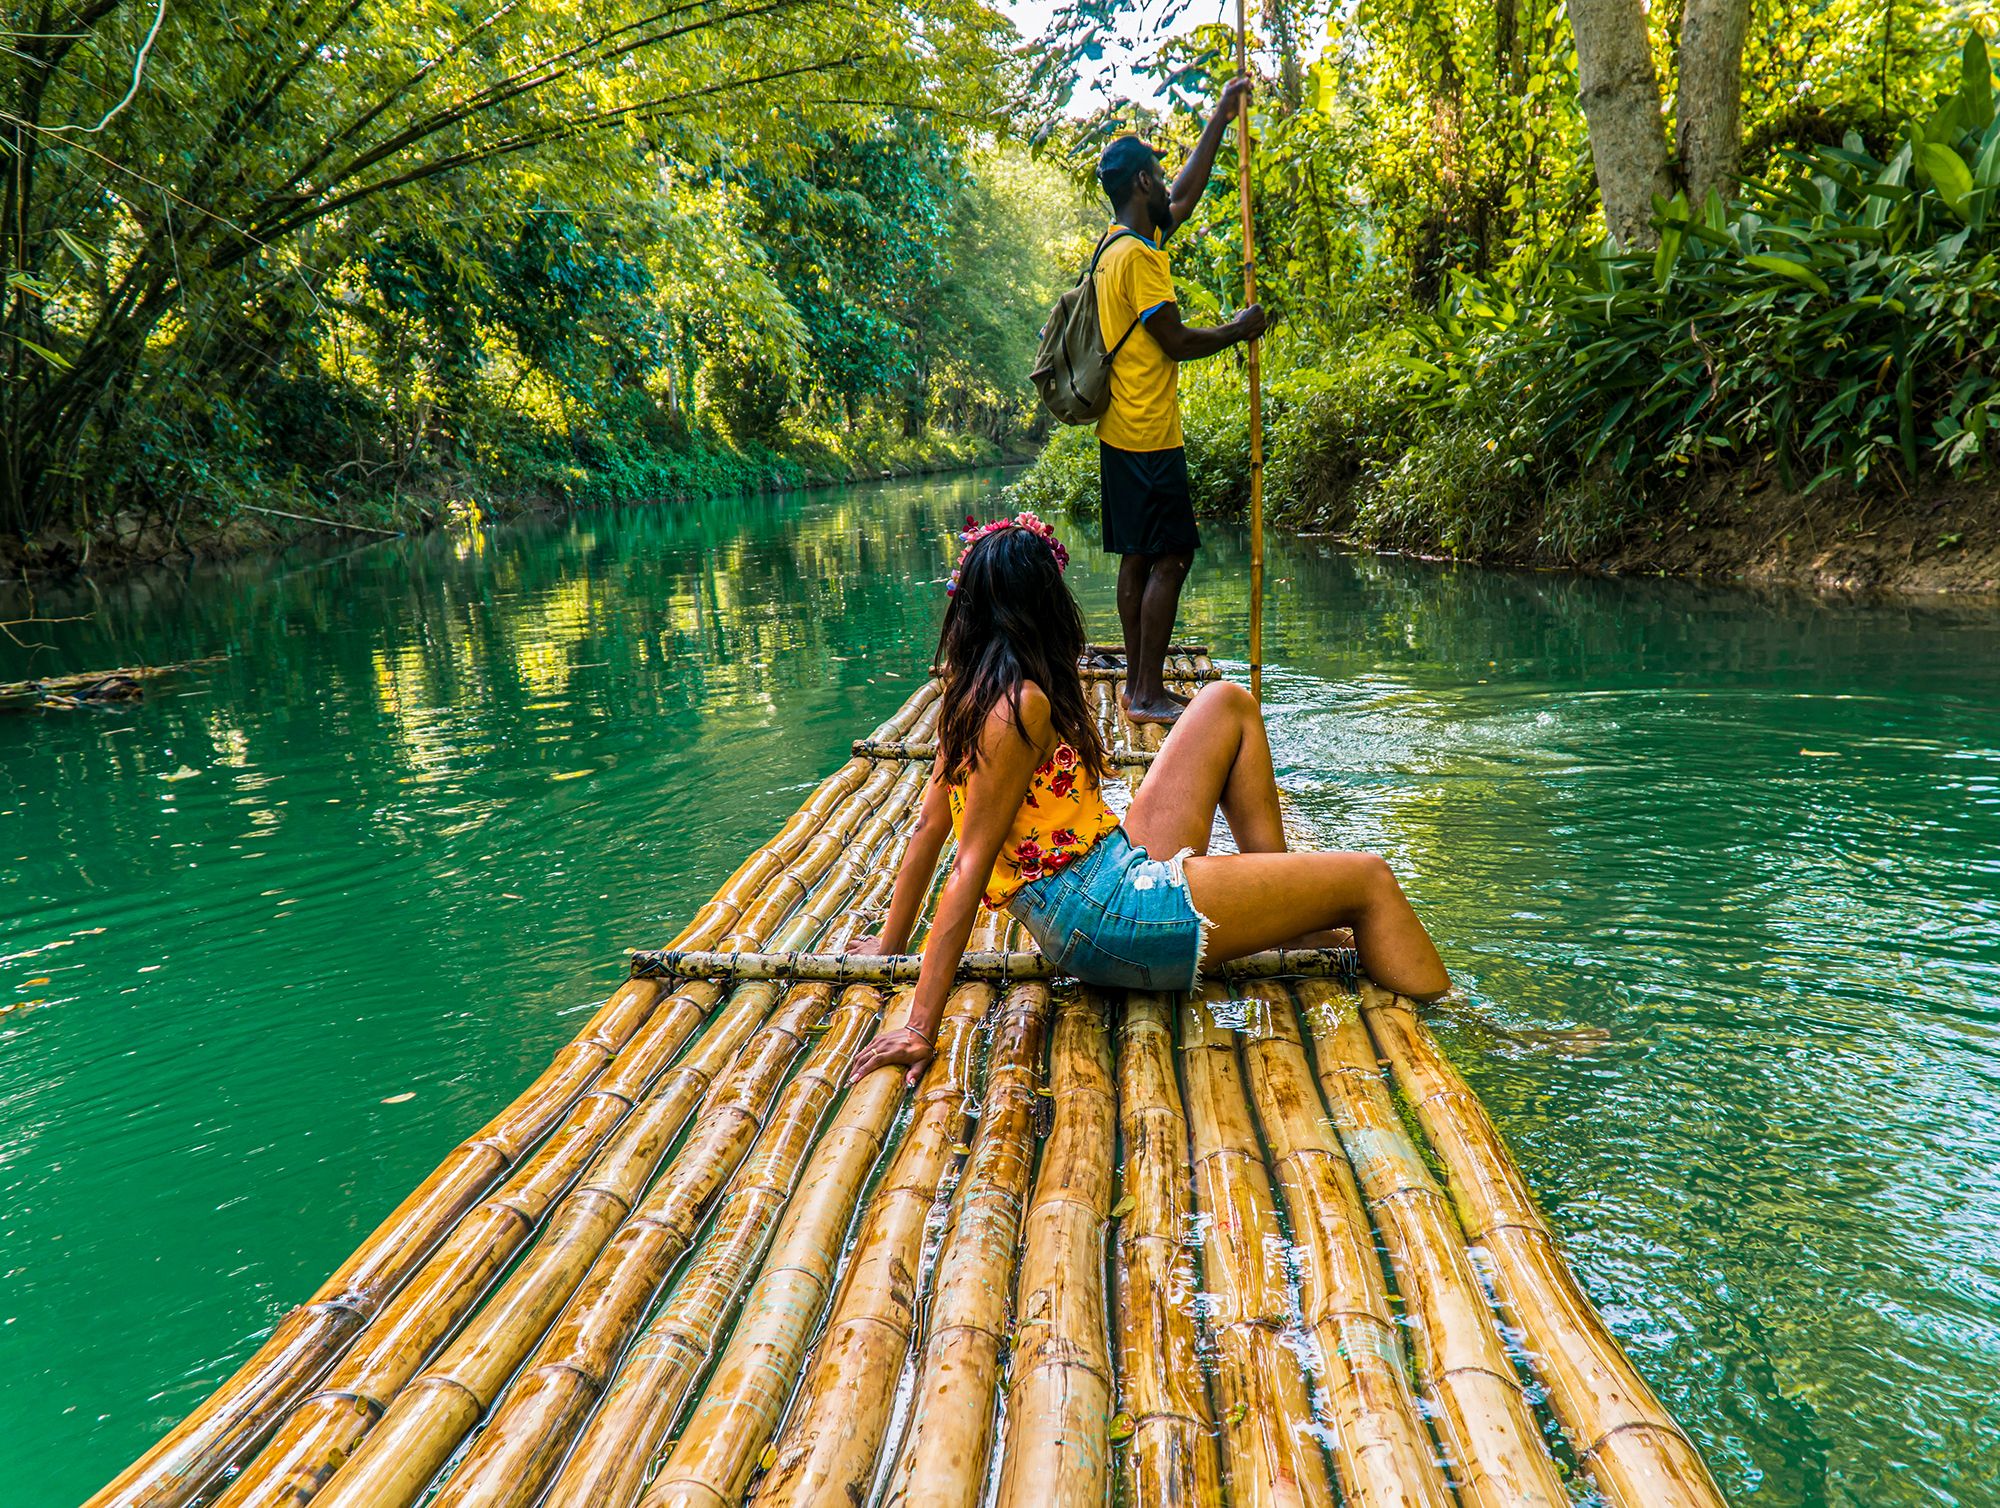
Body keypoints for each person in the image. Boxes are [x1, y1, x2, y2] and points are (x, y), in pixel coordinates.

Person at [846, 514, 1448, 1087]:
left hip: (1103, 874)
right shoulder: (1018, 705)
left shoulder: (971, 694)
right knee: (1370, 880)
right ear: (1046, 608)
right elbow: (968, 863)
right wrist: (921, 1023)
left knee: (1226, 703)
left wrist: (891, 942)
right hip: (1103, 913)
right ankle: (1457, 1021)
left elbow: (928, 825)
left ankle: (1285, 912)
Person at [1093, 83, 1270, 726]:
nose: (1168, 183)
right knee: (1171, 555)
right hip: (1147, 432)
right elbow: (1173, 338)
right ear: (1142, 181)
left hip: (1121, 431)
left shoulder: (1114, 246)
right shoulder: (1140, 259)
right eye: (1159, 174)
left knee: (1138, 555)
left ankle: (1140, 684)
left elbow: (1186, 196)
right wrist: (1238, 329)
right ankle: (1145, 693)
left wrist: (1219, 119)